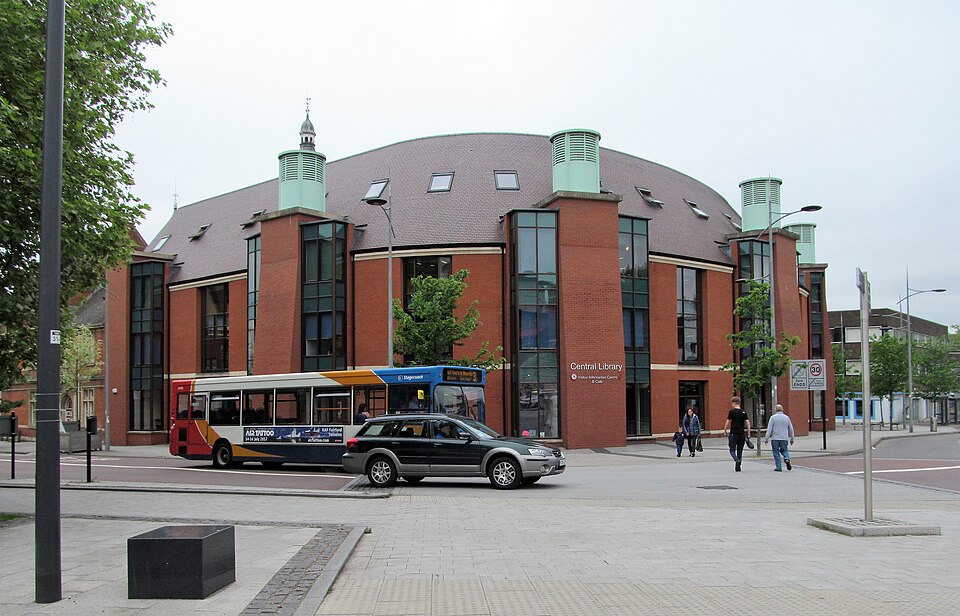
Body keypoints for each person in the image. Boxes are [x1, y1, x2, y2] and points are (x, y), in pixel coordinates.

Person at [723, 396, 751, 472]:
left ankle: (736, 460)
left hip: (733, 434)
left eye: (732, 403)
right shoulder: (743, 412)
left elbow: (728, 421)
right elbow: (748, 422)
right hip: (742, 434)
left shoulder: (732, 412)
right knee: (740, 450)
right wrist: (748, 432)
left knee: (732, 450)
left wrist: (725, 430)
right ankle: (738, 466)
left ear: (734, 403)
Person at [764, 404, 795, 472]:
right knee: (785, 450)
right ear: (782, 409)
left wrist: (766, 438)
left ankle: (778, 467)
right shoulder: (787, 418)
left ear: (775, 410)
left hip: (775, 438)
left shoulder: (773, 418)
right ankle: (786, 458)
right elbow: (791, 429)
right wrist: (792, 438)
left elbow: (769, 429)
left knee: (776, 452)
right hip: (784, 438)